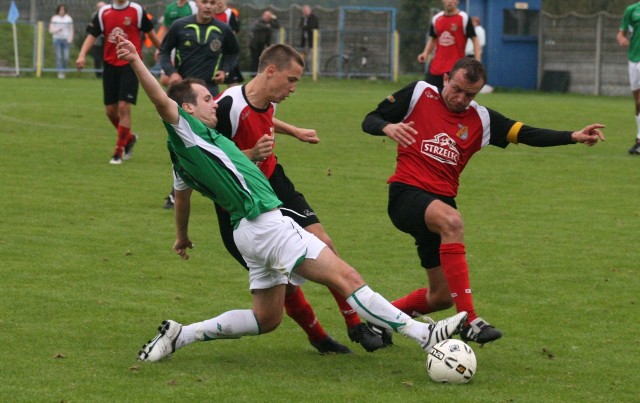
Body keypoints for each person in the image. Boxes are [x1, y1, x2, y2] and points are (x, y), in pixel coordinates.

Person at [115, 34, 468, 363]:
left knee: (266, 318)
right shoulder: (186, 131)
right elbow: (162, 101)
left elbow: (182, 197)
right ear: (187, 110)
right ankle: (425, 333)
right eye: (207, 98)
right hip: (265, 222)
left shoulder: (192, 149)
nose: (214, 102)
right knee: (346, 278)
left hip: (246, 232)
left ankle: (181, 334)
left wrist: (182, 236)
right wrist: (135, 60)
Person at [361, 57, 605, 346]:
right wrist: (387, 128)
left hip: (440, 204)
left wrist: (573, 136)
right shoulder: (418, 93)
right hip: (407, 194)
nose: (462, 99)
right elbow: (370, 119)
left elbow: (526, 133)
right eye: (458, 89)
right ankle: (470, 320)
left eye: (471, 95)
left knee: (439, 297)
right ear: (446, 78)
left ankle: (378, 320)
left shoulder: (482, 119)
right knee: (452, 221)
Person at [212, 44, 384, 353]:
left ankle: (355, 323)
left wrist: (294, 131)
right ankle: (318, 337)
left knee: (325, 244)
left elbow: (265, 119)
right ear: (271, 71)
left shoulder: (269, 98)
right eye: (291, 80)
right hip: (240, 202)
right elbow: (211, 157)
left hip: (275, 182)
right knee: (282, 280)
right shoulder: (226, 107)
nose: (293, 88)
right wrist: (250, 155)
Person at [158, 0, 240, 209]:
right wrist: (171, 72)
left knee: (212, 142)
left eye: (212, 2)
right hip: (184, 95)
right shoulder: (180, 25)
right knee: (182, 142)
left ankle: (225, 186)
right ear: (197, 3)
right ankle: (177, 191)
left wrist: (226, 71)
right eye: (204, 1)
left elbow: (233, 52)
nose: (208, 6)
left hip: (209, 94)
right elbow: (164, 51)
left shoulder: (223, 29)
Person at [75, 0, 161, 165]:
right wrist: (81, 55)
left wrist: (164, 52)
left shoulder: (137, 10)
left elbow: (151, 34)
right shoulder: (104, 12)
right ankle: (129, 139)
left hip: (130, 64)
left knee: (123, 107)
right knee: (110, 111)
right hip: (110, 66)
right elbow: (92, 35)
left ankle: (118, 151)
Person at [417, 0, 480, 88]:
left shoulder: (464, 18)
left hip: (455, 68)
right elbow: (433, 38)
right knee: (428, 94)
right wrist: (425, 53)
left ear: (457, 1)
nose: (449, 1)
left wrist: (477, 61)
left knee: (451, 99)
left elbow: (475, 39)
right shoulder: (436, 18)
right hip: (436, 67)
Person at [156, 0, 197, 86]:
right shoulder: (170, 7)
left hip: (189, 46)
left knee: (186, 78)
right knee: (165, 80)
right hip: (173, 45)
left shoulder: (193, 6)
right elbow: (165, 28)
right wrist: (159, 48)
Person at [617, 3, 640, 155]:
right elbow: (621, 33)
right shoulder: (632, 10)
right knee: (638, 102)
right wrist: (622, 39)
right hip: (634, 58)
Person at [213, 0, 244, 86]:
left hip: (226, 52)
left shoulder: (230, 13)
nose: (219, 2)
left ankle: (234, 98)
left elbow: (234, 32)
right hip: (212, 51)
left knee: (231, 81)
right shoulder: (209, 13)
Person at [249, 10, 279, 74]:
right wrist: (267, 26)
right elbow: (258, 26)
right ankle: (253, 73)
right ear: (263, 15)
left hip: (262, 44)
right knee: (255, 58)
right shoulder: (259, 21)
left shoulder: (271, 22)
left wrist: (275, 19)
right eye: (266, 15)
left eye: (269, 16)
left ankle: (258, 73)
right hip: (255, 43)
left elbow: (277, 26)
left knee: (260, 58)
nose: (267, 17)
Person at [49, 4, 74, 79]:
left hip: (66, 40)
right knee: (59, 57)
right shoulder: (54, 18)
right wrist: (57, 30)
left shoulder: (69, 19)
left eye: (63, 9)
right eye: (60, 9)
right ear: (58, 10)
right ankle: (60, 72)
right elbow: (50, 30)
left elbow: (71, 30)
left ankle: (64, 71)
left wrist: (70, 39)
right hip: (57, 39)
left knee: (66, 57)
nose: (62, 11)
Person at [88, 2, 106, 78]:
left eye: (102, 7)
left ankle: (106, 73)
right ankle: (98, 74)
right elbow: (90, 28)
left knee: (105, 57)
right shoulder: (94, 15)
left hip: (106, 40)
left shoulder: (108, 13)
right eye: (99, 7)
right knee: (97, 57)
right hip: (97, 40)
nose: (100, 9)